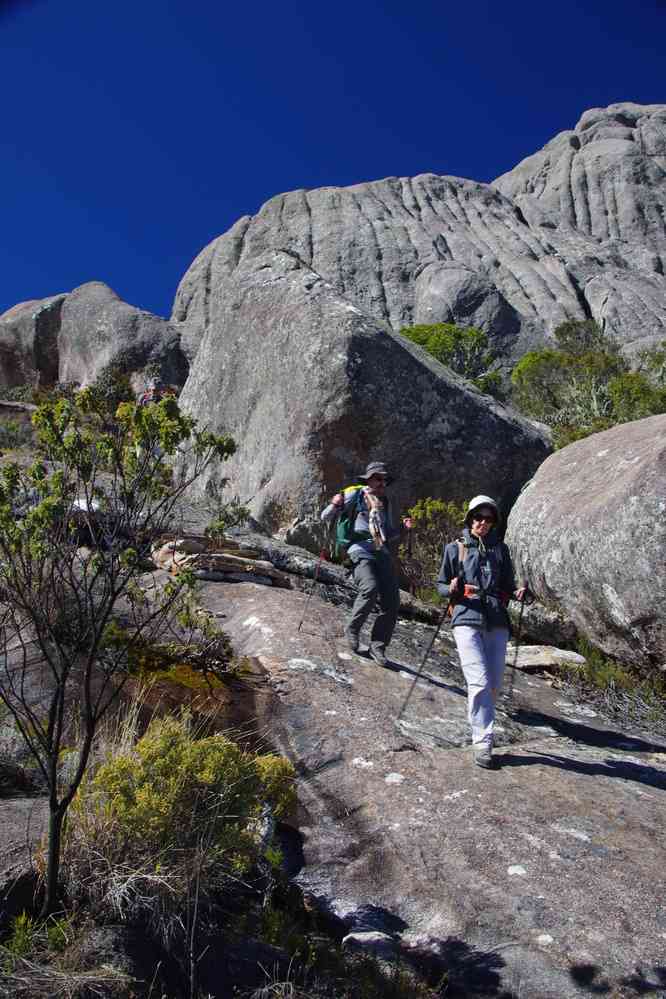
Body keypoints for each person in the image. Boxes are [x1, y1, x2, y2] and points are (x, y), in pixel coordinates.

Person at [436, 495, 526, 769]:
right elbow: (440, 585)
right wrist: (450, 588)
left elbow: (508, 585)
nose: (482, 523)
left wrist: (518, 592)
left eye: (488, 519)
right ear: (469, 518)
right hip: (466, 617)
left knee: (495, 683)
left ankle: (481, 728)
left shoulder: (501, 550)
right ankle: (483, 742)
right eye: (478, 517)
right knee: (479, 681)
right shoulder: (455, 548)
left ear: (494, 523)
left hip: (497, 619)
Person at [321, 462, 412, 666]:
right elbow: (324, 516)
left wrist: (403, 529)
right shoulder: (355, 495)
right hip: (359, 549)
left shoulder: (385, 502)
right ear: (368, 479)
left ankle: (378, 647)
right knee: (369, 588)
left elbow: (387, 533)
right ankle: (352, 630)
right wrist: (335, 504)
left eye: (383, 479)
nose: (381, 483)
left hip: (382, 552)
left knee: (392, 602)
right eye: (377, 478)